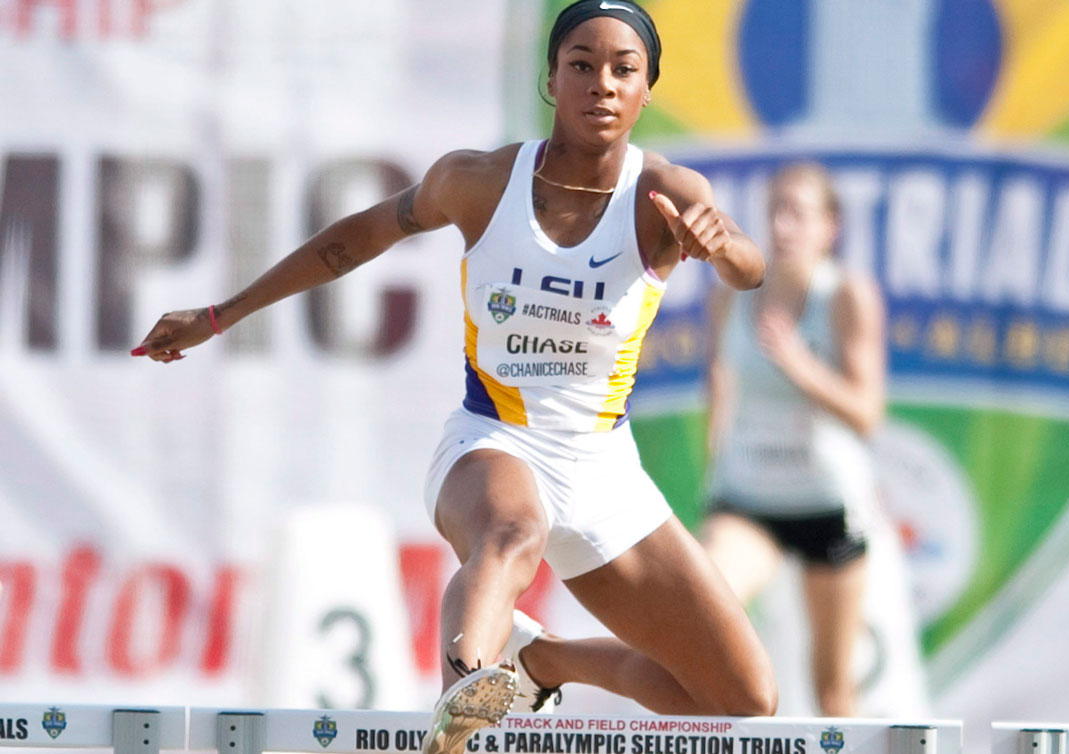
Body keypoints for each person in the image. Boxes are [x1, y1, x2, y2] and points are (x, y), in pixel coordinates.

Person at [131, 1, 775, 752]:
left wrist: (722, 245)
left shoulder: (668, 196)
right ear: (549, 79)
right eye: (581, 65)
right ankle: (461, 710)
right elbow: (352, 242)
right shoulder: (477, 181)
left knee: (743, 699)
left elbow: (750, 270)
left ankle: (540, 660)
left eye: (623, 70)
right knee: (514, 530)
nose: (601, 84)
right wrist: (220, 314)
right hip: (494, 438)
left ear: (646, 90)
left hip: (603, 465)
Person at [699, 163, 886, 717]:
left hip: (827, 504)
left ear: (830, 226)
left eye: (798, 213)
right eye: (775, 210)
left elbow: (866, 413)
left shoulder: (847, 296)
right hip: (749, 500)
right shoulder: (730, 297)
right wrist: (718, 442)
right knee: (706, 611)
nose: (783, 226)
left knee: (833, 691)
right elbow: (721, 382)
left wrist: (799, 366)